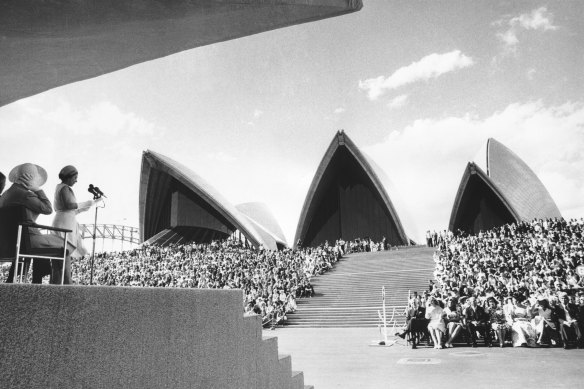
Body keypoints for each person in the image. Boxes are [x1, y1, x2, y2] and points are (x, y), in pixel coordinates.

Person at [0, 163, 72, 284]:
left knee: (47, 241)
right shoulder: (26, 195)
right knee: (66, 246)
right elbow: (48, 209)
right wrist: (38, 190)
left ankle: (41, 281)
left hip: (9, 242)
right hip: (27, 240)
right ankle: (65, 288)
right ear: (31, 178)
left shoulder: (5, 195)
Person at [51, 165, 100, 283]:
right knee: (64, 253)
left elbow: (71, 210)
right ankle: (67, 283)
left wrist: (91, 203)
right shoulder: (65, 188)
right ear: (69, 177)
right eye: (75, 177)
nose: (76, 180)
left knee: (60, 257)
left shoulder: (60, 187)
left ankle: (58, 284)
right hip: (64, 224)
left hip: (62, 221)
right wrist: (88, 202)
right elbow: (70, 205)